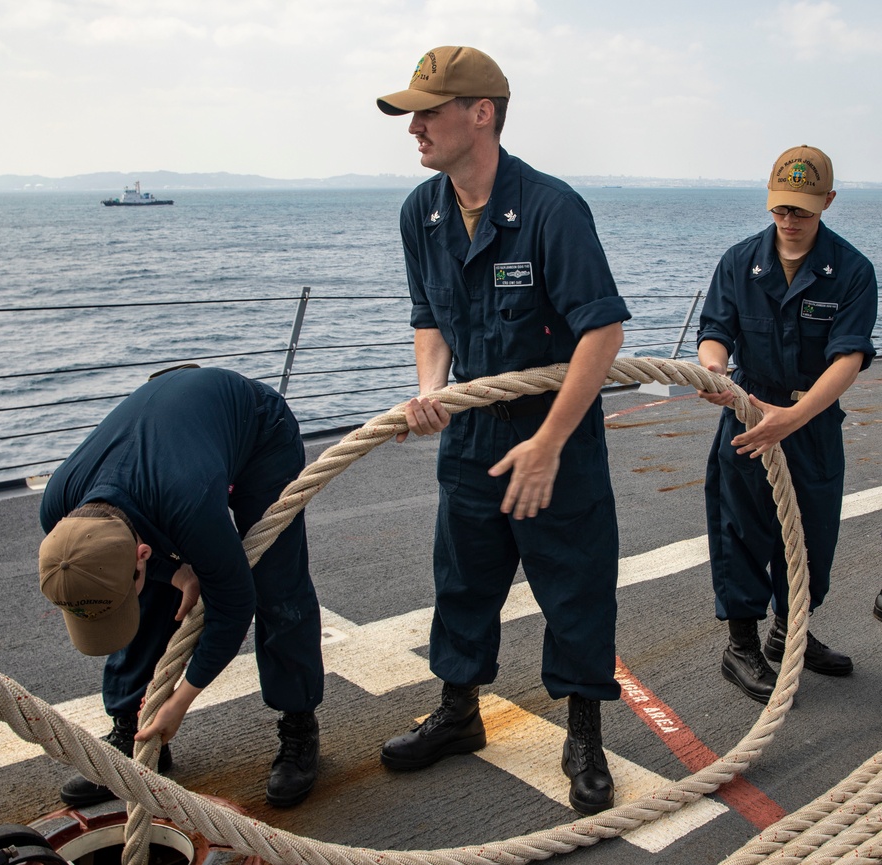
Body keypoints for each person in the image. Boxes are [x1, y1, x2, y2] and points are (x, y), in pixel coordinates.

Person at [376, 46, 630, 816]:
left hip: (557, 437)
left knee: (575, 588)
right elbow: (430, 318)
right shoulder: (420, 211)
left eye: (428, 109)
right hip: (473, 437)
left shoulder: (552, 209)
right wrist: (431, 390)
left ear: (480, 112)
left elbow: (603, 332)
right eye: (412, 112)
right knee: (462, 580)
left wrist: (550, 442)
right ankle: (459, 712)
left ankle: (583, 735)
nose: (413, 126)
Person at [38, 365, 323, 808]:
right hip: (175, 454)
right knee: (147, 595)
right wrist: (176, 573)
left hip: (257, 432)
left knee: (276, 585)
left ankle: (298, 723)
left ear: (141, 554)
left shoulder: (185, 503)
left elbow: (233, 606)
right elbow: (128, 574)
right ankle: (133, 728)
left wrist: (181, 699)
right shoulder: (59, 511)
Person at [697, 145, 878, 703]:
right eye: (780, 209)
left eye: (802, 209)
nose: (790, 221)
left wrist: (794, 418)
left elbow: (848, 358)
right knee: (742, 531)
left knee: (813, 537)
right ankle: (742, 646)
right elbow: (715, 331)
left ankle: (788, 632)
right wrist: (714, 373)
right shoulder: (739, 261)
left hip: (811, 420)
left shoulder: (851, 272)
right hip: (749, 415)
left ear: (827, 201)